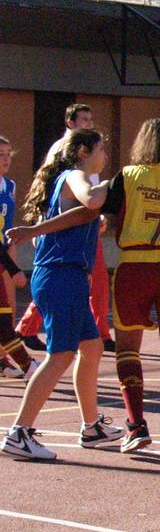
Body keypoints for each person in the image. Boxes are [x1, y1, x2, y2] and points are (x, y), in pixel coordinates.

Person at [8, 118, 160, 466]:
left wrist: (41, 227)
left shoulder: (127, 178)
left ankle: (116, 426)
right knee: (72, 355)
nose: (106, 154)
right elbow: (88, 204)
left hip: (131, 269)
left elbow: (83, 214)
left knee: (100, 349)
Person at [1, 129, 123, 460]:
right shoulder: (75, 175)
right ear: (83, 150)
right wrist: (116, 183)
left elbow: (82, 213)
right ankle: (19, 432)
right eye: (101, 148)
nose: (105, 155)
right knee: (61, 355)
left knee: (92, 346)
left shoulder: (68, 180)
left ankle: (91, 426)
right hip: (60, 275)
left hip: (65, 274)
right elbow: (94, 201)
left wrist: (89, 220)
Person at [17, 103, 115, 353]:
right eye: (83, 119)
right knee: (60, 356)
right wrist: (109, 187)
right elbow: (87, 200)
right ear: (71, 124)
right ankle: (25, 330)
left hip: (69, 262)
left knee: (90, 349)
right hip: (63, 265)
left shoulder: (83, 169)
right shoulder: (72, 170)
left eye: (90, 119)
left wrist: (94, 214)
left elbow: (83, 208)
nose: (88, 123)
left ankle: (99, 333)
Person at [0, 135, 38, 380]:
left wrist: (11, 243)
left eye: (8, 154)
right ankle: (27, 365)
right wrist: (13, 267)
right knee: (3, 318)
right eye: (0, 154)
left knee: (8, 312)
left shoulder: (9, 186)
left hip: (3, 254)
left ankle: (3, 360)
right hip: (3, 259)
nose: (5, 159)